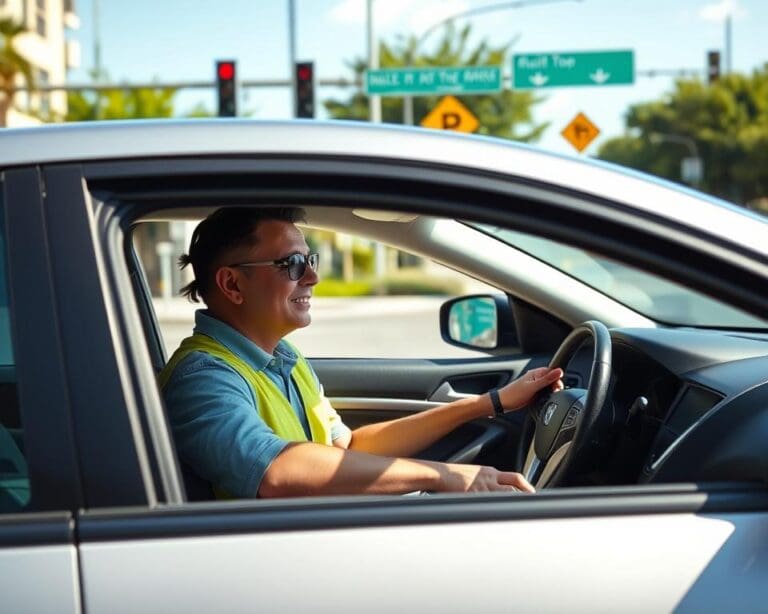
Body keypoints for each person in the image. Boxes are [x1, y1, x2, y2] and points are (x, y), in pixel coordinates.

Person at [160, 207, 564, 499]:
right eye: (294, 264)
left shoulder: (284, 357)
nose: (314, 277)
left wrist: (488, 403)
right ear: (232, 285)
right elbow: (275, 471)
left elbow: (347, 450)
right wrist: (442, 476)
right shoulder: (203, 377)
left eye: (310, 260)